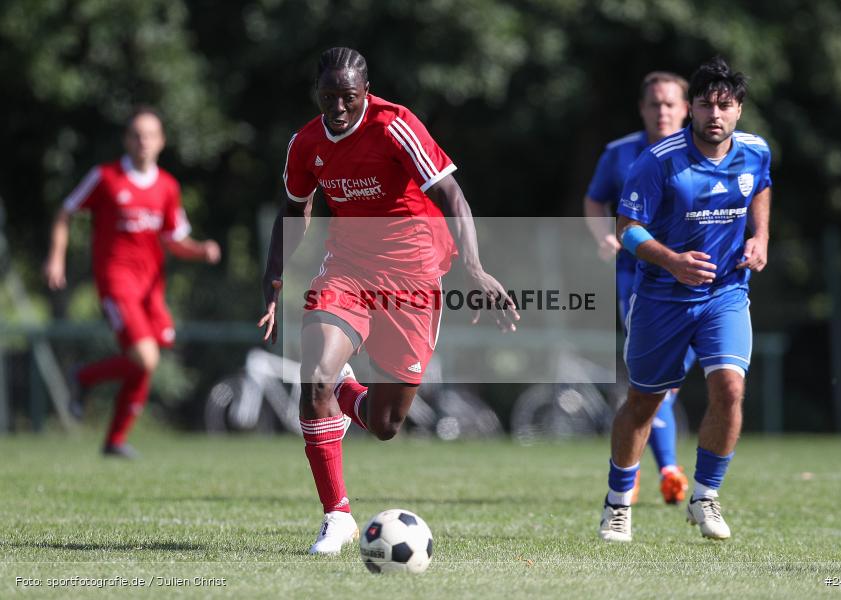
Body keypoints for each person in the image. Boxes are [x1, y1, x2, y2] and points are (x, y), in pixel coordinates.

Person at [257, 47, 518, 555]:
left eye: (348, 97)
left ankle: (349, 394)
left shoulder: (395, 125)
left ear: (365, 93)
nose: (337, 107)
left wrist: (474, 267)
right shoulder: (305, 143)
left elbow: (453, 196)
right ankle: (337, 516)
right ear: (318, 92)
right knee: (314, 380)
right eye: (328, 96)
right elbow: (294, 209)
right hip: (348, 271)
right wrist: (271, 279)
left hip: (414, 278)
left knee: (385, 425)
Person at [598, 56, 771, 542]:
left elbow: (762, 187)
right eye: (706, 104)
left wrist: (760, 238)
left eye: (726, 105)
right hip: (661, 298)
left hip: (727, 293)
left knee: (730, 390)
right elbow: (627, 230)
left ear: (738, 110)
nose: (715, 114)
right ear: (692, 109)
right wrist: (672, 260)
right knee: (644, 404)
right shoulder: (657, 161)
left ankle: (705, 495)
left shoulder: (756, 151)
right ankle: (617, 503)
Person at [43, 107, 221, 458]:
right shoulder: (105, 177)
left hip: (151, 288)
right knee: (145, 357)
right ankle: (84, 378)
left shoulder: (168, 186)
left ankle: (114, 439)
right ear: (127, 140)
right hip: (116, 281)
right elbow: (66, 212)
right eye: (136, 135)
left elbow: (174, 240)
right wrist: (56, 256)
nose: (143, 142)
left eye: (150, 135)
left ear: (161, 142)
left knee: (147, 360)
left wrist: (200, 250)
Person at [584, 71, 692, 505]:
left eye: (670, 103)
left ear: (686, 109)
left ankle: (655, 462)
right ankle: (667, 469)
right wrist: (602, 235)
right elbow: (595, 199)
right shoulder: (620, 153)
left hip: (699, 284)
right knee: (658, 377)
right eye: (655, 104)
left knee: (671, 380)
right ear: (642, 108)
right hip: (639, 281)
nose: (662, 111)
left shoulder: (704, 153)